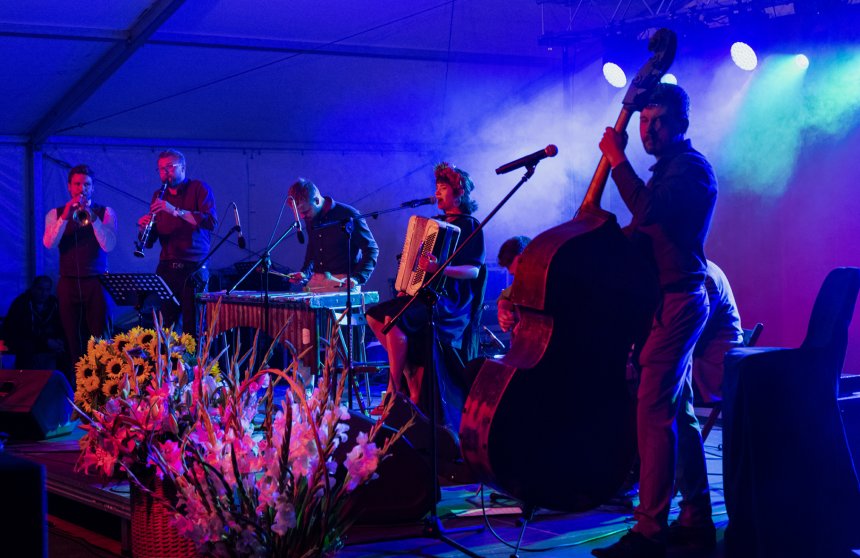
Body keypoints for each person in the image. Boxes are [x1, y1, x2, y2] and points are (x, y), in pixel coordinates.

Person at [593, 83, 718, 558]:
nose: (648, 129)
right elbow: (644, 228)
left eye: (658, 120)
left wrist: (616, 159)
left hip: (680, 301)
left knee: (652, 411)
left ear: (682, 123)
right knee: (677, 412)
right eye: (643, 120)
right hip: (666, 302)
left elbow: (647, 210)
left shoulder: (691, 170)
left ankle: (649, 530)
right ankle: (696, 518)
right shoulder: (668, 171)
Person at [366, 162, 485, 408]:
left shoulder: (470, 225)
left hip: (451, 301)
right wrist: (407, 286)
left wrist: (439, 268)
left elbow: (473, 271)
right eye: (437, 187)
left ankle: (394, 391)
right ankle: (408, 374)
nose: (437, 192)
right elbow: (419, 266)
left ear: (459, 194)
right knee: (374, 317)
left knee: (393, 321)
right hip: (425, 294)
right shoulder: (435, 224)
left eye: (443, 188)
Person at [43, 164, 116, 368]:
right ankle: (76, 383)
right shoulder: (55, 213)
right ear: (69, 186)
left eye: (86, 184)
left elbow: (109, 245)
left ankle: (101, 382)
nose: (81, 189)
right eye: (77, 184)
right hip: (68, 283)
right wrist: (65, 216)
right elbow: (49, 244)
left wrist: (92, 217)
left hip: (97, 282)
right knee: (72, 340)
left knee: (100, 340)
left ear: (93, 187)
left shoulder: (106, 212)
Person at [137, 149, 216, 336]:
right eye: (161, 169)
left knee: (193, 327)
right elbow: (151, 241)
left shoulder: (199, 188)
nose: (165, 173)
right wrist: (144, 229)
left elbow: (210, 222)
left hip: (193, 268)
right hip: (167, 268)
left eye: (170, 167)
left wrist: (174, 210)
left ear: (183, 167)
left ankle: (194, 357)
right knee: (166, 327)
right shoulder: (159, 195)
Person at [286, 178, 378, 291]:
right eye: (299, 213)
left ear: (316, 200)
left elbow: (371, 249)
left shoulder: (348, 214)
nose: (302, 217)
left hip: (343, 281)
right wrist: (305, 272)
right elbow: (313, 247)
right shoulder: (311, 216)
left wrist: (357, 278)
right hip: (317, 279)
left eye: (305, 212)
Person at [691, 260, 744, 405]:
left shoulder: (705, 278)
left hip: (712, 371)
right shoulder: (702, 270)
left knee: (654, 377)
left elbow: (694, 332)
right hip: (704, 363)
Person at [2, 276, 70, 379]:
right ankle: (26, 381)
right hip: (26, 341)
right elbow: (21, 331)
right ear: (33, 288)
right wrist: (46, 341)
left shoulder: (54, 303)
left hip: (48, 340)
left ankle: (63, 384)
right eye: (40, 289)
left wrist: (60, 340)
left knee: (67, 350)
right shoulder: (21, 303)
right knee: (26, 348)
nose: (43, 293)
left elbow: (61, 324)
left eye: (47, 290)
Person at [496, 235, 530, 334]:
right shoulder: (521, 284)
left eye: (521, 272)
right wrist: (502, 309)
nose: (519, 279)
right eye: (515, 275)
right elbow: (506, 294)